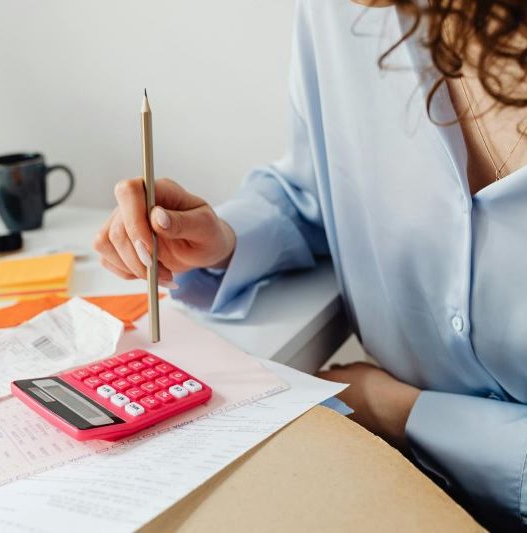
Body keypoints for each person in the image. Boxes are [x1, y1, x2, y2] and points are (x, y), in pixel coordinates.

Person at [94, 0, 527, 528]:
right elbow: (316, 191)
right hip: (396, 476)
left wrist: (406, 413)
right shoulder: (340, 14)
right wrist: (225, 239)